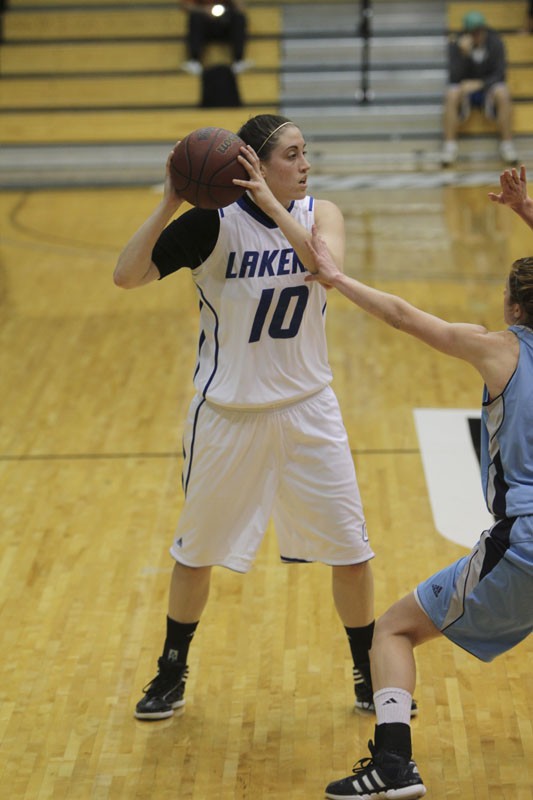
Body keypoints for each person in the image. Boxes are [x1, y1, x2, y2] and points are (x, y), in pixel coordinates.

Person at [114, 113, 380, 722]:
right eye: (293, 154)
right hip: (228, 415)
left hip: (310, 408)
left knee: (353, 553)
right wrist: (167, 206)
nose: (306, 164)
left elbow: (328, 272)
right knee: (195, 553)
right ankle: (172, 670)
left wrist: (273, 202)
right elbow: (126, 276)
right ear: (256, 163)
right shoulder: (211, 225)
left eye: (305, 151)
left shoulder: (320, 214)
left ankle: (366, 670)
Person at [301, 167, 533, 799]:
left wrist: (338, 277)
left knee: (393, 630)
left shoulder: (499, 350)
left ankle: (394, 764)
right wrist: (528, 209)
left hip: (527, 545)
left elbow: (402, 316)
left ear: (514, 306)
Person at [441, 10, 518, 167]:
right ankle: (449, 147)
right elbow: (453, 78)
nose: (477, 35)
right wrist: (464, 55)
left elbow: (500, 73)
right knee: (451, 94)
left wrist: (481, 83)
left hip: (489, 88)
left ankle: (507, 145)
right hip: (465, 93)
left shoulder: (495, 42)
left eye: (480, 31)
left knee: (503, 93)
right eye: (473, 32)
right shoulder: (456, 45)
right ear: (467, 33)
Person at [180, 0, 252, 75]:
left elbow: (241, 7)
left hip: (225, 24)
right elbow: (186, 5)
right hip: (204, 24)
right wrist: (204, 10)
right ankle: (194, 60)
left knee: (239, 18)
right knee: (195, 18)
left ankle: (238, 60)